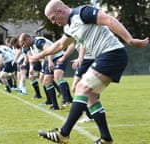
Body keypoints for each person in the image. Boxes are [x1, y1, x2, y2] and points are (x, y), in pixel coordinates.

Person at [29, 0, 149, 143]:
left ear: (60, 11)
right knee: (91, 97)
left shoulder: (83, 12)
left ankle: (64, 133)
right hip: (107, 56)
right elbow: (60, 45)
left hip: (113, 53)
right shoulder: (70, 27)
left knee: (81, 87)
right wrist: (38, 56)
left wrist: (130, 40)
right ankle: (106, 138)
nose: (54, 22)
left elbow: (109, 20)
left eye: (53, 18)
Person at [19, 33, 73, 110]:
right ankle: (55, 105)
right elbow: (32, 57)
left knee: (58, 76)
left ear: (28, 39)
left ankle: (66, 101)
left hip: (58, 57)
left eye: (23, 43)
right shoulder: (28, 47)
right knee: (46, 81)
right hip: (47, 60)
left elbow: (48, 49)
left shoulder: (38, 41)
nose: (23, 46)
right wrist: (32, 67)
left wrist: (50, 62)